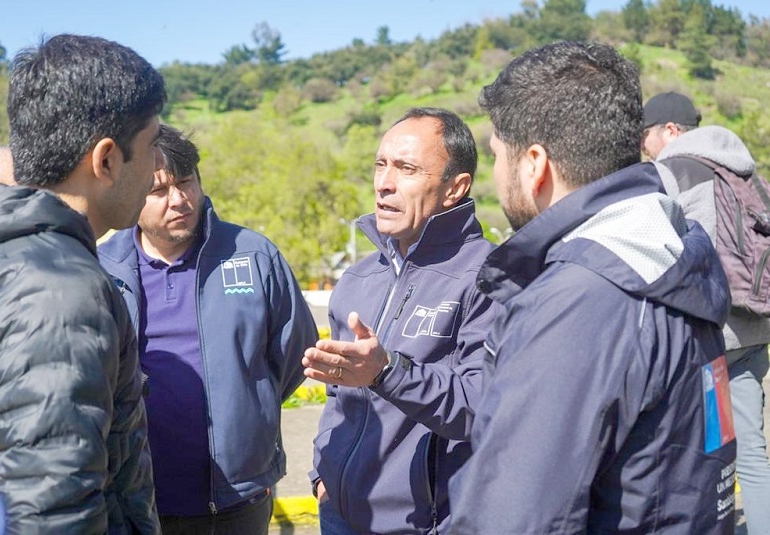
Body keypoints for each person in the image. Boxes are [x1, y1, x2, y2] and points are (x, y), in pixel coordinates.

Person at [449, 41, 736, 533]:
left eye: (498, 155)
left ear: (534, 164)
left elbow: (515, 517)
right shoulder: (668, 252)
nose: (493, 178)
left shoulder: (580, 300)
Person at [0, 34, 165, 533]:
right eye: (150, 146)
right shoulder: (55, 289)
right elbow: (50, 511)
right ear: (105, 160)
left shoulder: (2, 251)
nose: (156, 169)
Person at [98, 124, 318, 534]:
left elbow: (295, 356)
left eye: (186, 183)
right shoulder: (101, 268)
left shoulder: (253, 256)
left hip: (237, 500)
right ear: (131, 194)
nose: (179, 199)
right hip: (134, 497)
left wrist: (249, 414)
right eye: (159, 190)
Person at [303, 107, 498, 534]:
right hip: (338, 514)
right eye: (381, 164)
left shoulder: (489, 278)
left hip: (426, 524)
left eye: (406, 168)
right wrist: (323, 474)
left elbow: (481, 406)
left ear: (455, 188)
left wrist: (388, 372)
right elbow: (339, 396)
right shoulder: (357, 278)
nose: (384, 183)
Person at [643, 91, 770, 534]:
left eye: (647, 137)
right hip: (754, 330)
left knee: (700, 452)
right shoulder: (747, 173)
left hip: (708, 336)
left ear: (671, 131)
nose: (646, 148)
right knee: (753, 453)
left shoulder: (672, 169)